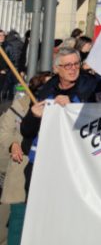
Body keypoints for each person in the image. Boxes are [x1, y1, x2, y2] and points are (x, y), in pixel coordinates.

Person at [20, 48, 101, 193]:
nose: (73, 69)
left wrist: (73, 107)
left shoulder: (93, 86)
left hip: (77, 166)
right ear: (56, 68)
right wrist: (33, 116)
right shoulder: (45, 90)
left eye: (76, 64)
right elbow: (27, 132)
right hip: (43, 165)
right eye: (67, 65)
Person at [0, 71, 52, 245]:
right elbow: (5, 131)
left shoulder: (59, 109)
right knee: (18, 217)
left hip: (49, 170)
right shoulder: (20, 106)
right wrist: (13, 143)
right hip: (22, 165)